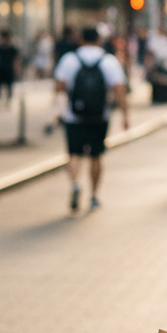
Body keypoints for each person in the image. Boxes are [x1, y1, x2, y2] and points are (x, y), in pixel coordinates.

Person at [54, 27, 129, 213]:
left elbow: (59, 86)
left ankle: (74, 184)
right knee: (96, 156)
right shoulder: (109, 61)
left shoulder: (69, 59)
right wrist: (125, 115)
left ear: (80, 39)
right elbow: (119, 89)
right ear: (99, 40)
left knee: (74, 154)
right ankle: (94, 195)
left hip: (73, 116)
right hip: (100, 116)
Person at [0, 30, 20, 105]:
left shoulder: (12, 49)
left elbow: (16, 60)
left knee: (9, 86)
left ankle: (8, 101)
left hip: (9, 69)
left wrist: (17, 69)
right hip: (0, 69)